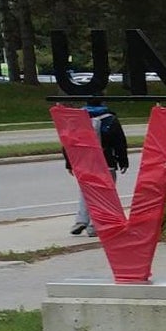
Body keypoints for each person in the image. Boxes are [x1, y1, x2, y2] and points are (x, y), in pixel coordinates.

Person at [65, 99, 128, 237]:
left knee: (85, 191)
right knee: (104, 194)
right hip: (106, 161)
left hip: (84, 162)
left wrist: (69, 163)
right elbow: (120, 143)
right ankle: (95, 225)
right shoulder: (110, 119)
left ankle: (81, 220)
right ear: (103, 103)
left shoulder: (77, 119)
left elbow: (68, 141)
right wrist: (123, 161)